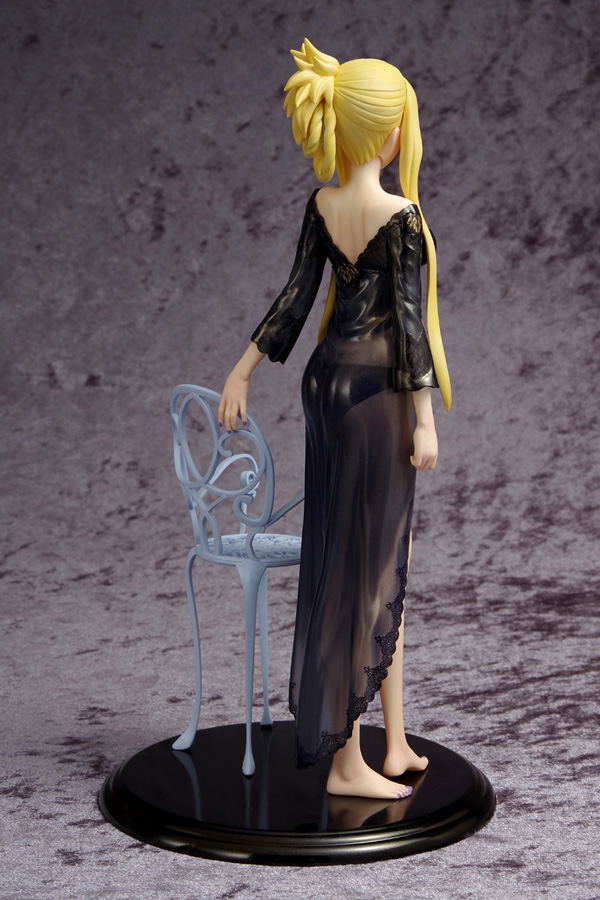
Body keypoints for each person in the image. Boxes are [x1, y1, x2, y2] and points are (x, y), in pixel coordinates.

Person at [218, 38, 452, 800]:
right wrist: (425, 420)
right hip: (379, 397)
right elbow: (410, 327)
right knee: (367, 572)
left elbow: (294, 299)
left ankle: (394, 741)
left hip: (325, 386)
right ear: (386, 133)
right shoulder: (401, 215)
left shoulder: (322, 205)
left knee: (371, 564)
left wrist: (243, 369)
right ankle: (347, 764)